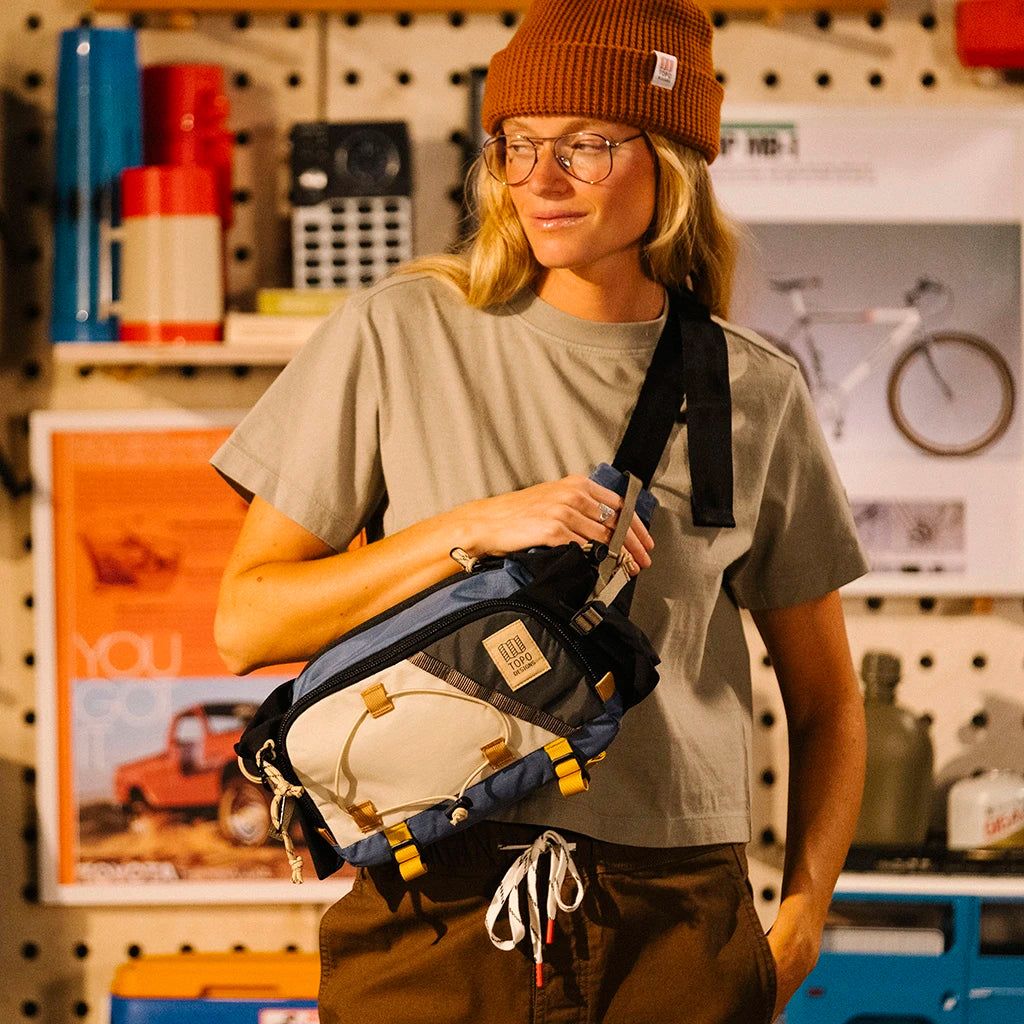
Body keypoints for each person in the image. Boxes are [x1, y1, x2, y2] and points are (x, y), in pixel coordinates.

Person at [211, 1, 868, 1021]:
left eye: (586, 145)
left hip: (677, 920)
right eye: (516, 145)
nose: (540, 180)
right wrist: (470, 527)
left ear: (673, 163)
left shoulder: (753, 389)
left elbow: (826, 699)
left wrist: (804, 914)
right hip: (439, 900)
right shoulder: (399, 332)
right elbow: (247, 621)